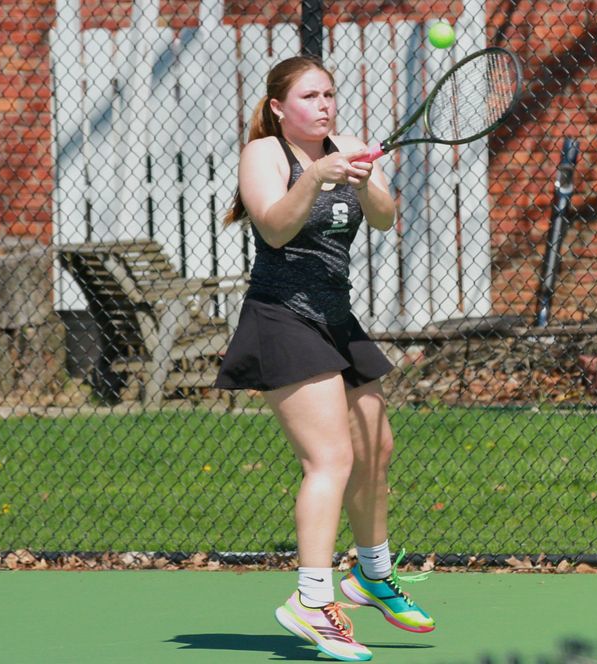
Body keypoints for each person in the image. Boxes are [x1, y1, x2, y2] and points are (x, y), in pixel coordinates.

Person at [217, 55, 434, 662]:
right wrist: (314, 179)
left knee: (376, 449)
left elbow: (386, 219)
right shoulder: (265, 153)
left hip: (336, 318)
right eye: (310, 96)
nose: (324, 105)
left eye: (329, 94)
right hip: (282, 317)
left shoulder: (347, 147)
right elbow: (275, 228)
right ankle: (310, 600)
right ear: (280, 108)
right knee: (330, 458)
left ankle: (370, 575)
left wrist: (363, 179)